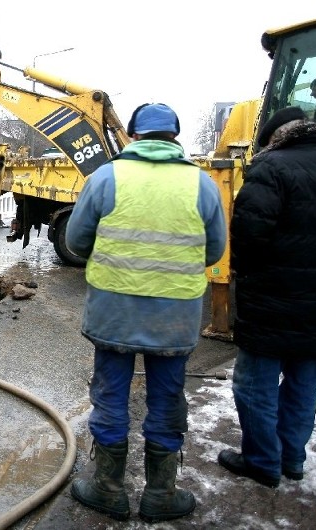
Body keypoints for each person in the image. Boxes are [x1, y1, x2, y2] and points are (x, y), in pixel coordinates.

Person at [66, 103, 227, 522]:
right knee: (168, 398)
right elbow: (214, 251)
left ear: (133, 136)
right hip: (174, 319)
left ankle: (108, 488)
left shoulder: (107, 177)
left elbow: (77, 241)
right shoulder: (201, 184)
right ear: (175, 136)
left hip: (113, 314)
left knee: (111, 395)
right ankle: (160, 494)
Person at [218, 106, 316, 488]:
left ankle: (263, 461)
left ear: (276, 136)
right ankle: (292, 457)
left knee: (254, 384)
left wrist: (243, 277)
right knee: (303, 381)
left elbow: (248, 234)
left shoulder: (270, 168)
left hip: (271, 299)